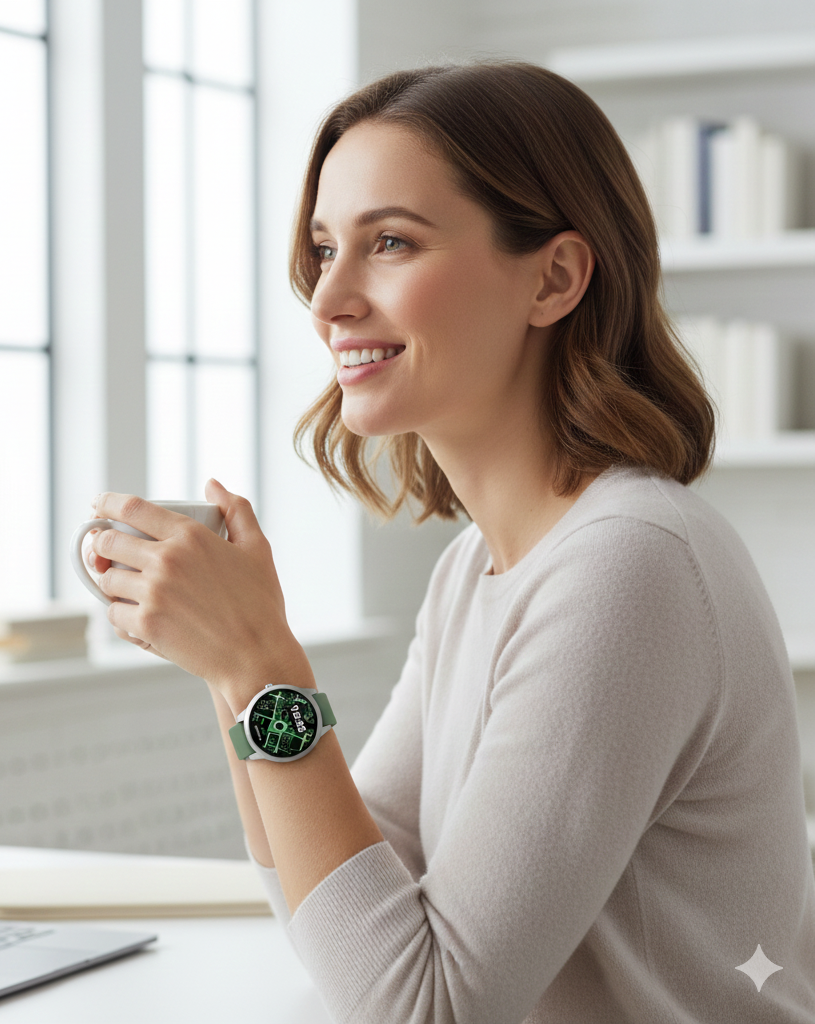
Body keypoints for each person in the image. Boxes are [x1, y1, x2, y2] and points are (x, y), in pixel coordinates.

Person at [87, 62, 815, 1023]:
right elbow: (342, 920)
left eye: (389, 242)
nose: (329, 299)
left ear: (553, 278)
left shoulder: (628, 565)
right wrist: (233, 675)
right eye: (323, 249)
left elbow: (424, 1008)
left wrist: (262, 663)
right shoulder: (478, 568)